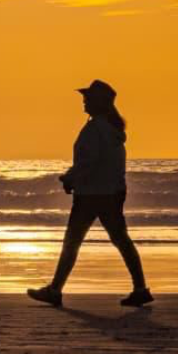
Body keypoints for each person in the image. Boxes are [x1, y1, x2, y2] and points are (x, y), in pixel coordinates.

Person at [28, 80, 153, 308]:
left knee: (72, 242)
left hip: (92, 195)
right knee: (121, 240)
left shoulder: (95, 129)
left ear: (98, 103)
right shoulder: (112, 130)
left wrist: (70, 178)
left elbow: (88, 163)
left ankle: (55, 290)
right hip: (111, 192)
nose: (84, 101)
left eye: (88, 98)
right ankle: (140, 288)